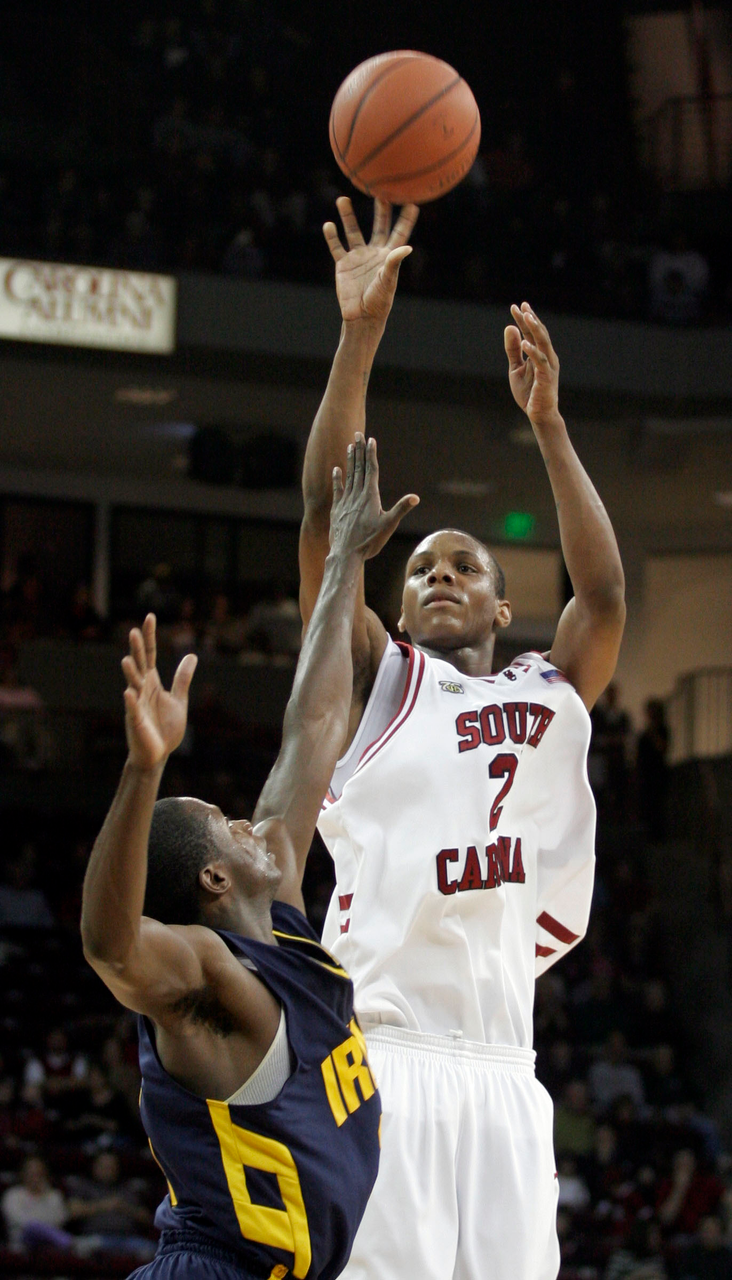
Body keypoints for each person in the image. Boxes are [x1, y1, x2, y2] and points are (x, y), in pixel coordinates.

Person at [298, 197, 627, 1280]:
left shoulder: (550, 690)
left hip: (503, 1067)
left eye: (465, 565)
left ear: (500, 606)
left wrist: (550, 425)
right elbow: (324, 525)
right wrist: (359, 336)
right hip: (383, 1052)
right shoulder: (378, 680)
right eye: (420, 568)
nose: (440, 573)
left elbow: (604, 594)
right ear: (399, 608)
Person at [81, 435, 418, 1280]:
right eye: (228, 824)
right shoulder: (207, 976)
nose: (252, 822)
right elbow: (110, 948)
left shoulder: (285, 925)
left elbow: (315, 724)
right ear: (214, 878)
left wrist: (344, 561)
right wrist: (144, 769)